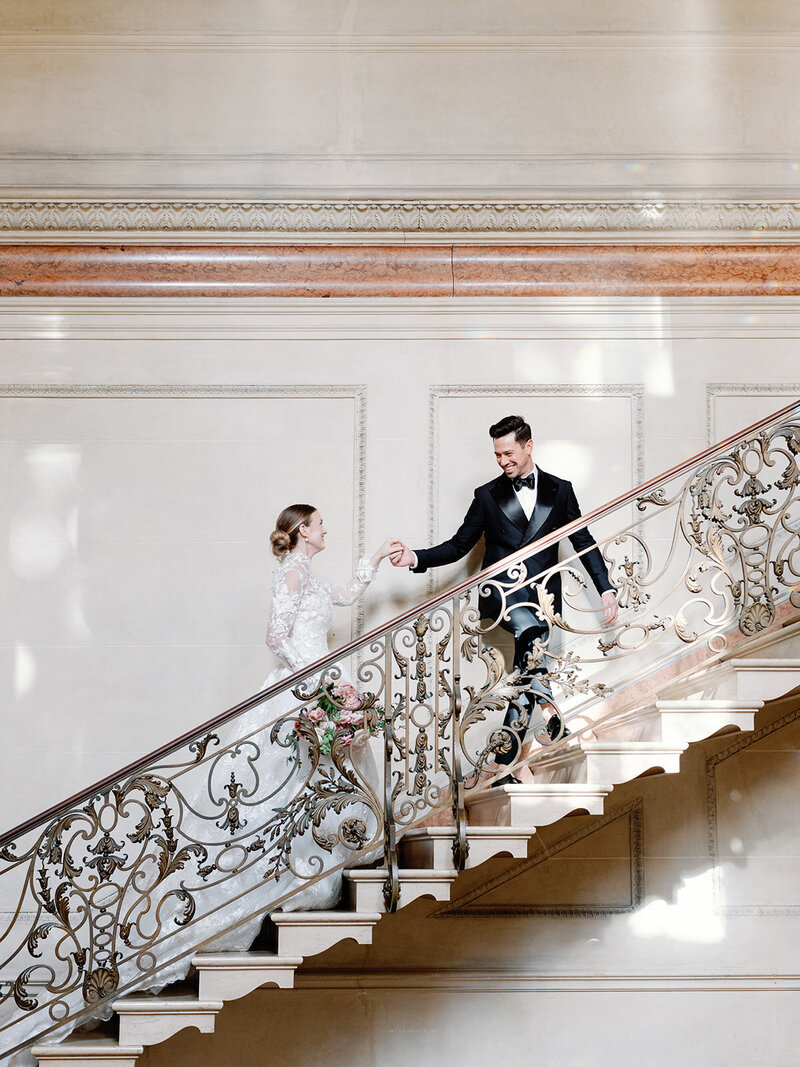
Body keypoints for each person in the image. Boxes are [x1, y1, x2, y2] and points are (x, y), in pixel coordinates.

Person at [4, 506, 398, 1061]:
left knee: (308, 782)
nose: (326, 529)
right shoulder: (289, 574)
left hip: (312, 681)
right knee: (279, 785)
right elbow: (275, 634)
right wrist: (313, 678)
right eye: (320, 524)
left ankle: (310, 863)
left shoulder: (307, 573)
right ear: (302, 530)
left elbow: (347, 596)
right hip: (299, 686)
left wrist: (375, 558)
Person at [390, 415, 618, 785]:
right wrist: (415, 557)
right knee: (531, 641)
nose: (503, 461)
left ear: (528, 446)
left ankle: (504, 762)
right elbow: (459, 545)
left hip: (543, 598)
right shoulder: (487, 495)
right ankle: (551, 714)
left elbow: (583, 541)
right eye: (497, 455)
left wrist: (605, 587)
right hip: (501, 594)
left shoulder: (561, 491)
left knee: (529, 666)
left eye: (509, 453)